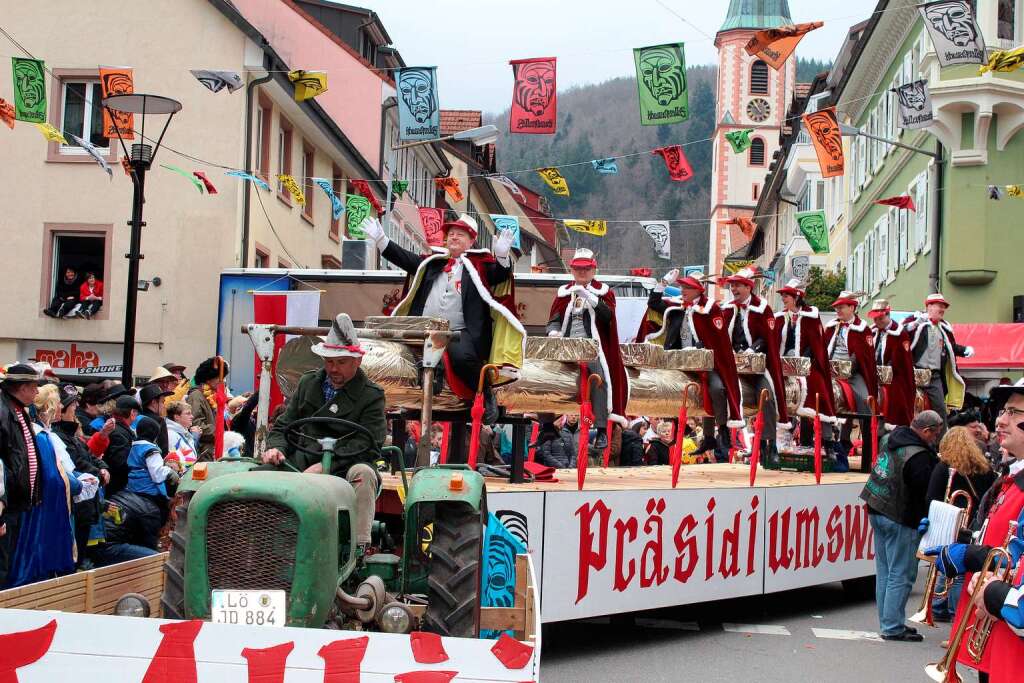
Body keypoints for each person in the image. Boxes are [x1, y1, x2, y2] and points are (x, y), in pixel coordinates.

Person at [364, 214, 522, 424]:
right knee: (406, 355)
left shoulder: (480, 266)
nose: (454, 237)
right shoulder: (432, 263)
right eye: (451, 234)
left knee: (461, 356)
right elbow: (405, 259)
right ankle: (417, 397)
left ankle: (486, 393)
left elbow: (500, 275)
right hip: (424, 329)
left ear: (471, 240)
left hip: (460, 331)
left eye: (460, 234)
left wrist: (502, 257)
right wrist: (382, 240)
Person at [925, 379, 1024, 682]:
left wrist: (970, 557)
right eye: (1003, 411)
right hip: (997, 626)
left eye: (1013, 412)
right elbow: (1002, 541)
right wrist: (960, 538)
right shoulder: (1013, 476)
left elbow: (1012, 556)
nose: (1000, 420)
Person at [261, 314, 386, 549]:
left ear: (357, 361)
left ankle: (356, 547)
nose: (333, 368)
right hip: (302, 459)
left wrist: (326, 466)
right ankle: (258, 544)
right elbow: (283, 424)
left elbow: (368, 444)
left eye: (340, 362)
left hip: (346, 465)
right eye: (329, 362)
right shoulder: (308, 384)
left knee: (364, 474)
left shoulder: (371, 395)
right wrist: (275, 447)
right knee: (261, 475)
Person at [637, 272, 744, 463]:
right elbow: (653, 303)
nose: (682, 291)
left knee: (717, 389)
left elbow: (719, 339)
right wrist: (663, 282)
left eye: (686, 288)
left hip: (705, 362)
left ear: (697, 290)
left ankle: (722, 431)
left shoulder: (710, 309)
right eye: (681, 287)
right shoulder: (677, 305)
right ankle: (682, 435)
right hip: (679, 362)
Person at [859, 409, 943, 641]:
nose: (935, 439)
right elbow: (923, 493)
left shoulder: (890, 437)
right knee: (901, 573)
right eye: (935, 435)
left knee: (885, 571)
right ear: (926, 431)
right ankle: (893, 626)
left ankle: (888, 622)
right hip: (899, 516)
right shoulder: (919, 455)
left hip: (876, 506)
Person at [4, 384, 88, 587]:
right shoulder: (41, 438)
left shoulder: (34, 434)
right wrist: (77, 483)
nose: (62, 406)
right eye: (59, 403)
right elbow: (54, 479)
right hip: (34, 510)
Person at [547, 248, 629, 449]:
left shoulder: (604, 292)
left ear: (594, 270)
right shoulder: (564, 292)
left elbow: (608, 317)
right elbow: (553, 320)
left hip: (593, 346)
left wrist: (591, 299)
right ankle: (546, 425)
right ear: (572, 270)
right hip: (566, 345)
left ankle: (601, 429)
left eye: (586, 269)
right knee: (545, 374)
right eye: (577, 269)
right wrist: (554, 332)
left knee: (598, 377)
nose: (582, 273)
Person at [925, 426, 997, 622]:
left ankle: (953, 614)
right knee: (961, 568)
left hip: (952, 522)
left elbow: (931, 498)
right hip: (975, 523)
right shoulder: (984, 467)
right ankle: (942, 607)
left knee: (955, 570)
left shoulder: (945, 466)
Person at [721, 267, 788, 467]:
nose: (734, 289)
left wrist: (753, 349)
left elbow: (768, 338)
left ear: (748, 287)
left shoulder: (763, 308)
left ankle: (770, 444)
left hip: (757, 365)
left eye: (738, 285)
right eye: (732, 285)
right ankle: (722, 437)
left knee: (766, 394)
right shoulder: (728, 308)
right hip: (734, 365)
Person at [775, 279, 839, 454]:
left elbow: (816, 344)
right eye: (782, 295)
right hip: (784, 366)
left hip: (809, 366)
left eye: (786, 295)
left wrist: (803, 362)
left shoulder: (811, 315)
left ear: (796, 297)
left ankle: (828, 441)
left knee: (818, 391)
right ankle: (781, 439)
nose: (783, 298)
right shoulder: (781, 317)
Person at [52, 384, 110, 564]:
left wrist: (102, 467)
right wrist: (99, 474)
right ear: (60, 411)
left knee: (82, 551)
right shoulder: (57, 435)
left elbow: (90, 455)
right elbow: (77, 463)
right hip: (77, 503)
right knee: (74, 557)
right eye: (72, 405)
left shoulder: (72, 434)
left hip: (87, 503)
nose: (76, 407)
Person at [824, 291, 879, 473]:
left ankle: (871, 449)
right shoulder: (831, 326)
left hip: (852, 373)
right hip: (830, 371)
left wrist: (848, 367)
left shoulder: (863, 329)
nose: (838, 310)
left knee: (865, 401)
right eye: (837, 307)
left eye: (842, 307)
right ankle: (822, 444)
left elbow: (862, 356)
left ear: (852, 307)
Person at [0, 364, 42, 584]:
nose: (37, 392)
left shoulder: (16, 410)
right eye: (34, 386)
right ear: (22, 387)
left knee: (8, 562)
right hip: (5, 505)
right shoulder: (3, 410)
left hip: (14, 503)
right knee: (2, 565)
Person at [907, 293, 974, 428]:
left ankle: (941, 442)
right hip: (914, 374)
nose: (942, 309)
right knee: (909, 407)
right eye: (939, 305)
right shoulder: (916, 321)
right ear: (929, 306)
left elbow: (952, 347)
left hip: (934, 377)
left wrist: (965, 350)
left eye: (943, 306)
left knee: (940, 410)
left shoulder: (944, 328)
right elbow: (901, 335)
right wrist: (914, 324)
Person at [868, 299, 916, 429]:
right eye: (875, 319)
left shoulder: (900, 334)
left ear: (888, 315)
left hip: (895, 377)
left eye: (880, 318)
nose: (877, 322)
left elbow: (900, 362)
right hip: (874, 375)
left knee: (896, 397)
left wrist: (885, 371)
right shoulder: (871, 332)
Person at [126, 417, 180, 526]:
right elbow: (157, 474)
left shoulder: (135, 447)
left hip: (134, 489)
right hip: (149, 493)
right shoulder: (151, 450)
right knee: (157, 520)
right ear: (155, 434)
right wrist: (169, 472)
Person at [186, 356, 229, 461]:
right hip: (204, 452)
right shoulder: (196, 396)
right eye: (218, 377)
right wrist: (220, 432)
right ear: (208, 378)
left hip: (213, 450)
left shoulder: (214, 396)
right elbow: (195, 424)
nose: (221, 380)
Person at [104, 394, 142, 497]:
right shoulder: (119, 433)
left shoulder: (118, 429)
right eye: (136, 412)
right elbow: (120, 463)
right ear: (132, 413)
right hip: (117, 490)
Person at [139, 383, 172, 455]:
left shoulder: (136, 418)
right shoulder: (159, 421)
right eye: (162, 402)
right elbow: (164, 450)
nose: (164, 406)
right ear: (153, 402)